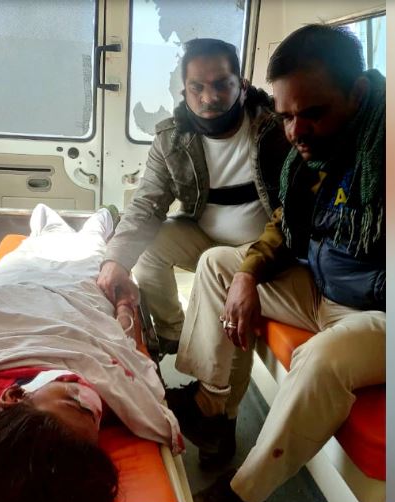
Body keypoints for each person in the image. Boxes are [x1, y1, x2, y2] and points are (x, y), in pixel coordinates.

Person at [168, 24, 386, 502]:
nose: (294, 132)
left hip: (387, 315)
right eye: (286, 116)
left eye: (312, 114)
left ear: (357, 93)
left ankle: (244, 496)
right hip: (323, 289)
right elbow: (286, 223)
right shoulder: (316, 155)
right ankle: (212, 408)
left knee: (321, 357)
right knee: (218, 264)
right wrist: (248, 273)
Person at [0, 204, 183, 502]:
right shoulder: (102, 410)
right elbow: (123, 348)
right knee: (91, 246)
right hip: (79, 290)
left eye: (74, 401)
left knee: (41, 241)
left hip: (16, 285)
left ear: (14, 396)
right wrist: (123, 306)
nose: (92, 401)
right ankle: (100, 220)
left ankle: (48, 224)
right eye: (95, 418)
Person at [96, 38, 290, 354]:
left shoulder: (276, 129)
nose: (209, 98)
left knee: (220, 285)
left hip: (260, 247)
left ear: (241, 85)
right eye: (196, 87)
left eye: (221, 85)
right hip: (205, 238)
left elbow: (293, 208)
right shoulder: (171, 140)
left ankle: (217, 385)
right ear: (184, 92)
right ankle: (173, 332)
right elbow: (147, 204)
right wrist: (115, 259)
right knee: (149, 243)